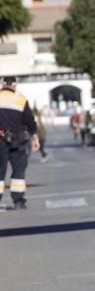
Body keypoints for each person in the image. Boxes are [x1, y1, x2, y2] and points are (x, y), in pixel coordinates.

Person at [0, 76, 40, 210]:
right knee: (18, 171)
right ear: (14, 85)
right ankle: (18, 201)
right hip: (18, 140)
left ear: (3, 84)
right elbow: (30, 121)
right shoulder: (21, 100)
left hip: (0, 139)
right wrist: (35, 138)